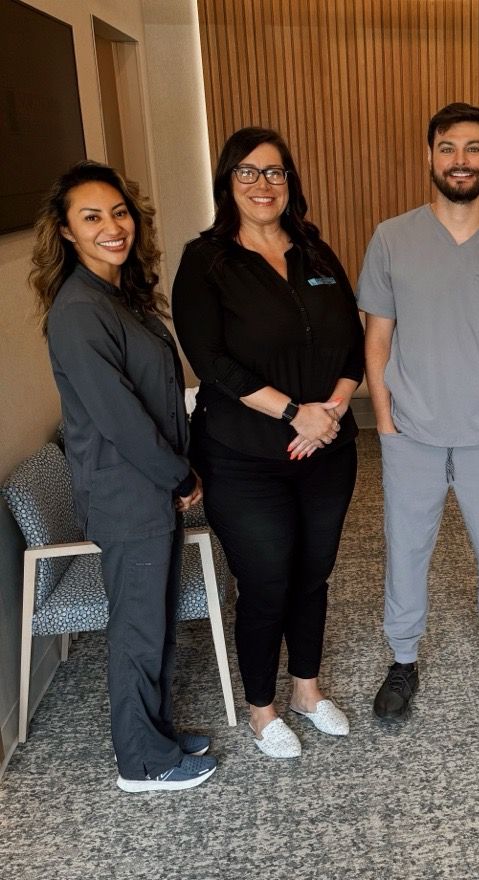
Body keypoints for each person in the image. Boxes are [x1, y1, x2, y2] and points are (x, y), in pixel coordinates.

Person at [173, 127, 364, 758]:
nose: (263, 184)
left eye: (276, 172)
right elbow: (211, 361)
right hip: (243, 456)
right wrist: (294, 414)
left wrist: (330, 412)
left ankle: (307, 691)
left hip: (328, 450)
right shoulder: (206, 261)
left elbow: (354, 345)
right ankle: (263, 709)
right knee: (266, 579)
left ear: (291, 182)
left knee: (313, 574)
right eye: (249, 172)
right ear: (228, 182)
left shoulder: (315, 250)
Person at [357, 102, 479, 722]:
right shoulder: (392, 237)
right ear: (429, 156)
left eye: (472, 148)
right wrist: (384, 420)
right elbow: (377, 336)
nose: (460, 160)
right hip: (409, 430)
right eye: (448, 148)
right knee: (406, 547)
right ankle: (403, 659)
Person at [30, 161, 216, 792]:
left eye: (118, 212)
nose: (112, 227)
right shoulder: (79, 311)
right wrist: (179, 474)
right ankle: (143, 763)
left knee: (154, 621)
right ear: (65, 231)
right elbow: (121, 418)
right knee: (139, 631)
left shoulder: (118, 296)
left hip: (145, 488)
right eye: (92, 217)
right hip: (126, 492)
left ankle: (155, 734)